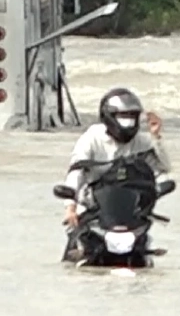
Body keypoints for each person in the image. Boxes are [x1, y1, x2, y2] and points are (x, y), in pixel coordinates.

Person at [63, 87, 171, 229]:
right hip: (93, 209)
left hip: (129, 212)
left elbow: (163, 167)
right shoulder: (92, 138)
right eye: (123, 118)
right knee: (77, 240)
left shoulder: (141, 141)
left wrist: (156, 137)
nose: (128, 123)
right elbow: (76, 171)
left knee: (145, 243)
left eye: (132, 118)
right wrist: (70, 207)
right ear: (109, 117)